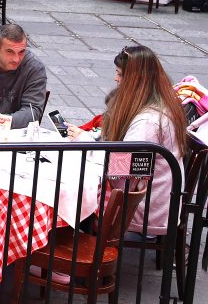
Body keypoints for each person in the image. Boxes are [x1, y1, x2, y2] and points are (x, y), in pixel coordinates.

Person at [67, 45, 187, 236]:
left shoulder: (148, 122)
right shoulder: (162, 104)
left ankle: (61, 255)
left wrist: (86, 143)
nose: (116, 79)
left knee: (67, 203)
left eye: (120, 74)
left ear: (135, 80)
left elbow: (120, 174)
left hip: (144, 211)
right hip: (156, 202)